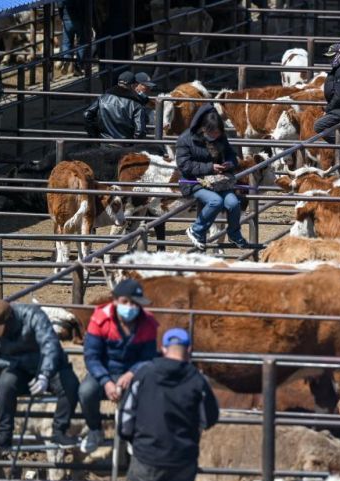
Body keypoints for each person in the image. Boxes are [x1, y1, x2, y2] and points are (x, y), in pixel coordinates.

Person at [119, 328, 220, 481]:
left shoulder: (144, 373)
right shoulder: (198, 380)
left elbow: (126, 416)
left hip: (146, 454)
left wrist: (133, 441)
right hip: (181, 458)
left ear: (163, 348)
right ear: (188, 349)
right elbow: (209, 418)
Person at [0, 300, 79, 449]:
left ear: (10, 318)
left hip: (46, 364)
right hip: (17, 368)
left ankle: (59, 431)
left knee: (69, 385)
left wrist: (44, 375)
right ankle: (5, 435)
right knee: (5, 386)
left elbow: (49, 344)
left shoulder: (32, 315)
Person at [79, 279, 158, 453]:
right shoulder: (100, 319)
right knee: (86, 392)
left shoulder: (148, 322)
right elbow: (92, 356)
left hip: (133, 369)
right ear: (115, 301)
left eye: (134, 303)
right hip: (104, 369)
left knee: (143, 392)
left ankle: (132, 433)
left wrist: (131, 373)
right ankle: (94, 429)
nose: (130, 307)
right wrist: (106, 381)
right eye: (125, 302)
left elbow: (149, 356)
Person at [175, 103, 249, 250]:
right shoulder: (185, 139)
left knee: (234, 203)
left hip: (217, 181)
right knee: (215, 201)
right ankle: (196, 230)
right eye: (212, 132)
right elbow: (184, 165)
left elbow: (231, 155)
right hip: (193, 181)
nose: (215, 136)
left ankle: (234, 233)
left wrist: (229, 163)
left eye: (218, 133)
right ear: (203, 128)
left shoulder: (221, 138)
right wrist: (210, 167)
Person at [83, 71, 155, 142]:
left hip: (104, 142)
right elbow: (140, 131)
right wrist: (132, 144)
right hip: (124, 146)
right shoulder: (135, 105)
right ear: (133, 86)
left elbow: (87, 115)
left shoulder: (103, 98)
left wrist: (95, 136)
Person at [57, 0, 89, 75]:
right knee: (81, 43)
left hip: (66, 19)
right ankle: (78, 66)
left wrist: (62, 18)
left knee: (66, 43)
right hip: (80, 20)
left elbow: (60, 5)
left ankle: (66, 58)